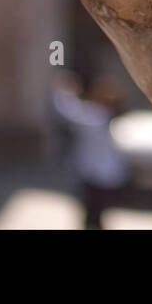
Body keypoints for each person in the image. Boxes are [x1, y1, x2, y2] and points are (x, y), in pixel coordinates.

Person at [51, 71, 130, 229]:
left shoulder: (95, 117)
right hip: (107, 176)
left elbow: (67, 110)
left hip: (95, 176)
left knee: (91, 217)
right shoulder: (109, 117)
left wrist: (62, 90)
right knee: (96, 216)